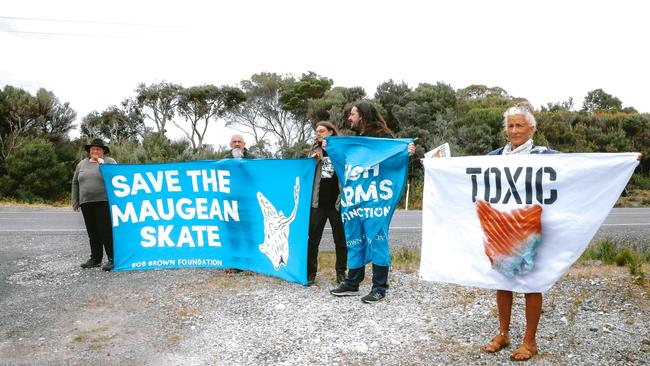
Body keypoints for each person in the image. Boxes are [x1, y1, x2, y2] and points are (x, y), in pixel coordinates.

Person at [482, 102, 557, 361]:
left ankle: (530, 341)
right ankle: (503, 333)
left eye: (519, 125)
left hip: (530, 231)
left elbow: (579, 169)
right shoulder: (494, 157)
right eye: (510, 125)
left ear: (531, 128)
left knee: (531, 284)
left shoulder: (546, 155)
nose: (514, 130)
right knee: (503, 282)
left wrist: (623, 163)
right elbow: (465, 174)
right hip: (502, 229)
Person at [328, 101, 414, 303]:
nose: (349, 118)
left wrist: (406, 151)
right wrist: (330, 147)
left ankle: (379, 287)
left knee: (377, 240)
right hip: (355, 199)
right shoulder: (357, 141)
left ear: (363, 116)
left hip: (375, 200)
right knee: (354, 239)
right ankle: (352, 282)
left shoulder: (383, 138)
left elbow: (395, 159)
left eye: (353, 114)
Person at [307, 121, 347, 286]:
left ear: (331, 132)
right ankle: (310, 274)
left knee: (341, 240)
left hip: (337, 203)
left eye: (322, 131)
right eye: (317, 131)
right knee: (313, 240)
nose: (318, 134)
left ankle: (341, 274)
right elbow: (304, 173)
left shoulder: (341, 149)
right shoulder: (313, 150)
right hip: (318, 203)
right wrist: (311, 162)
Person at [72, 138, 117, 271]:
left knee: (106, 231)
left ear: (103, 151)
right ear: (89, 151)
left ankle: (112, 259)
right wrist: (75, 201)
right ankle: (95, 259)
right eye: (93, 149)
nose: (95, 151)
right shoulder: (81, 164)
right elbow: (75, 182)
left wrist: (102, 164)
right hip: (86, 202)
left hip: (104, 201)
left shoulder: (109, 162)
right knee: (93, 232)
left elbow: (115, 177)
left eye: (98, 149)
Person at [223, 133, 254, 274]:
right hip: (231, 202)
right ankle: (235, 263)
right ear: (230, 145)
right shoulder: (225, 160)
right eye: (234, 141)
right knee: (233, 232)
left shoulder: (252, 159)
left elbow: (256, 176)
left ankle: (252, 262)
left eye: (239, 141)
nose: (237, 144)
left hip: (248, 202)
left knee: (248, 232)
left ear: (244, 144)